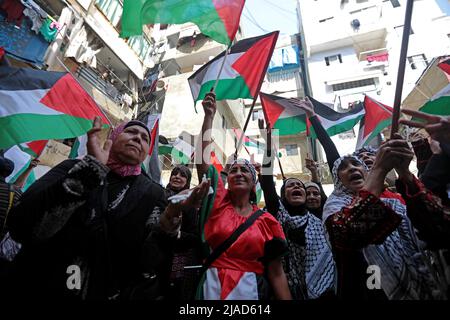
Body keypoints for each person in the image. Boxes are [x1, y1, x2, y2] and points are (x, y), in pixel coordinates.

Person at [5, 117, 208, 300]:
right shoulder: (72, 167)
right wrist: (90, 172)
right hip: (38, 284)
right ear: (114, 136)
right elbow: (22, 225)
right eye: (131, 132)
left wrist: (170, 220)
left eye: (145, 138)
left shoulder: (153, 195)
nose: (138, 138)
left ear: (147, 151)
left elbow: (147, 260)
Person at [180, 92, 291, 300]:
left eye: (245, 170)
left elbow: (277, 273)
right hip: (210, 290)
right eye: (233, 170)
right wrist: (209, 117)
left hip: (252, 293)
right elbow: (203, 164)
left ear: (253, 182)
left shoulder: (267, 222)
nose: (238, 173)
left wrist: (269, 143)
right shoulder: (217, 203)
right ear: (227, 180)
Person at [323, 135, 446, 300]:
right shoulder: (334, 207)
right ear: (338, 181)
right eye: (344, 168)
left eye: (356, 164)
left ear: (366, 173)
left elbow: (435, 226)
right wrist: (379, 169)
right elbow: (349, 231)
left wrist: (404, 173)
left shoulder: (393, 201)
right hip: (370, 288)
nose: (352, 168)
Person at [259, 124, 335, 300]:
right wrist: (269, 146)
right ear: (283, 196)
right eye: (290, 185)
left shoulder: (318, 220)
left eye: (299, 185)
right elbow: (268, 183)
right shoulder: (279, 215)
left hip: (328, 290)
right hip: (292, 291)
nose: (296, 186)